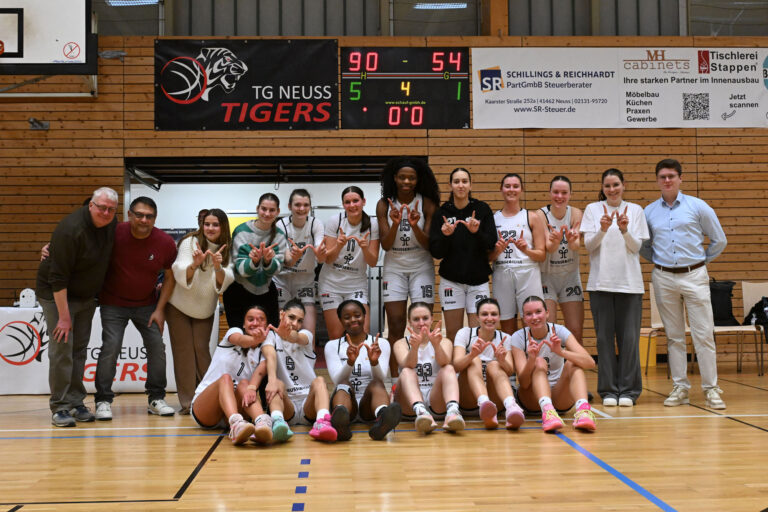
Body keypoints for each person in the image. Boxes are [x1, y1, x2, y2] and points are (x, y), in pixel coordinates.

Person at [641, 158, 728, 409]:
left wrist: (700, 262)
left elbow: (719, 240)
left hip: (695, 276)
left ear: (680, 178)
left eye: (671, 176)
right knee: (674, 336)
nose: (667, 180)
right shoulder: (649, 212)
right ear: (657, 180)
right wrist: (660, 262)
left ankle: (711, 389)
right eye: (662, 177)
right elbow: (644, 246)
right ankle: (680, 388)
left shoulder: (698, 206)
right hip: (663, 277)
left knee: (704, 335)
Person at [36, 187, 118, 427]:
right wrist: (64, 317)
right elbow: (57, 279)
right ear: (91, 205)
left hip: (85, 296)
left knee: (79, 349)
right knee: (62, 349)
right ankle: (60, 406)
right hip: (56, 295)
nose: (106, 213)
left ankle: (75, 401)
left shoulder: (111, 225)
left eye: (111, 209)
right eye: (101, 207)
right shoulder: (70, 230)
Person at [94, 196, 178, 420]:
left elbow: (170, 278)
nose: (144, 220)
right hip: (112, 303)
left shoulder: (165, 242)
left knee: (157, 347)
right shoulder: (112, 233)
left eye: (149, 216)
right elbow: (84, 245)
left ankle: (156, 398)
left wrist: (160, 309)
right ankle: (103, 400)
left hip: (147, 305)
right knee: (111, 347)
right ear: (129, 214)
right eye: (139, 215)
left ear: (155, 219)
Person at [581, 169, 648, 407]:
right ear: (602, 188)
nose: (612, 190)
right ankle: (608, 390)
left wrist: (624, 229)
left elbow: (636, 247)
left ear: (623, 185)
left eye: (616, 184)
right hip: (600, 285)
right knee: (604, 340)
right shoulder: (592, 209)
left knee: (629, 340)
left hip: (630, 285)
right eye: (607, 186)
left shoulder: (636, 210)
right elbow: (589, 246)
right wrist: (602, 228)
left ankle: (629, 391)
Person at [166, 208, 235, 414]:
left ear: (223, 227)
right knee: (184, 353)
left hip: (204, 308)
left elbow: (226, 280)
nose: (210, 228)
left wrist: (218, 267)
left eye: (215, 224)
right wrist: (194, 265)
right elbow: (179, 269)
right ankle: (188, 403)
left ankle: (208, 397)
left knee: (201, 350)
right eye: (207, 224)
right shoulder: (190, 241)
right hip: (179, 306)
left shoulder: (228, 248)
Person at [376, 157, 440, 377]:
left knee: (423, 323)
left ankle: (425, 374)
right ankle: (396, 378)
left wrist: (414, 226)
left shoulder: (427, 203)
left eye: (411, 178)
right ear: (394, 178)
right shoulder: (384, 204)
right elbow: (385, 244)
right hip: (394, 264)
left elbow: (428, 244)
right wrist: (395, 223)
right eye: (402, 177)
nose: (406, 181)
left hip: (421, 264)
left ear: (417, 179)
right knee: (395, 323)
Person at [507, 296, 597, 433]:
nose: (534, 317)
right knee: (539, 361)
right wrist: (531, 360)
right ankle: (547, 411)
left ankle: (583, 411)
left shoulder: (559, 331)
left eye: (538, 312)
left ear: (547, 313)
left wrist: (561, 352)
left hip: (559, 395)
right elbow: (524, 383)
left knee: (573, 362)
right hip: (531, 399)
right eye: (529, 314)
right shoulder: (518, 337)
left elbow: (590, 362)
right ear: (524, 318)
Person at [190, 305, 275, 445]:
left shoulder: (265, 348)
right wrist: (256, 339)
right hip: (207, 408)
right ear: (244, 324)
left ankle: (262, 423)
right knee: (226, 378)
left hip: (237, 407)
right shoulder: (234, 332)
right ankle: (235, 424)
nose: (255, 323)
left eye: (260, 320)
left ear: (266, 325)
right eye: (250, 319)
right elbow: (241, 340)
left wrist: (252, 388)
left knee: (246, 384)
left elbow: (260, 373)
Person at [429, 168, 496, 342]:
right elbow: (436, 252)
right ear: (450, 185)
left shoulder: (482, 209)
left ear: (470, 185)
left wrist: (476, 232)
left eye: (464, 181)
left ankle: (476, 361)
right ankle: (455, 362)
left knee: (478, 334)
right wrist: (445, 236)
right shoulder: (441, 213)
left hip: (478, 281)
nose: (461, 185)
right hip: (451, 281)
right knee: (453, 334)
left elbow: (491, 243)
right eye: (457, 181)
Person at [324, 300, 401, 441]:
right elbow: (337, 380)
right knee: (343, 385)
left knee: (376, 383)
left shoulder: (381, 343)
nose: (353, 319)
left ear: (365, 316)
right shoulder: (332, 346)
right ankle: (341, 423)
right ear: (340, 321)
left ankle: (383, 419)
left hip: (369, 405)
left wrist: (374, 362)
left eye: (357, 315)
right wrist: (350, 362)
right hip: (347, 403)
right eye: (347, 317)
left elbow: (381, 377)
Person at [268, 300, 338, 442]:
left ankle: (322, 422)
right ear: (282, 314)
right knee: (276, 383)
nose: (295, 323)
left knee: (319, 381)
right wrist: (271, 379)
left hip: (309, 403)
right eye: (291, 317)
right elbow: (269, 355)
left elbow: (296, 337)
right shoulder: (271, 336)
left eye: (300, 321)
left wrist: (287, 335)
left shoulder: (306, 335)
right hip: (287, 404)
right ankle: (278, 422)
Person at [452, 298, 525, 430]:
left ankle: (511, 407)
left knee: (494, 365)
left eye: (494, 314)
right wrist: (471, 355)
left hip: (496, 398)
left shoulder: (506, 338)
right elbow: (456, 366)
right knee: (474, 360)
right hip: (469, 398)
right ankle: (484, 402)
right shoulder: (465, 334)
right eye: (485, 314)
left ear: (499, 317)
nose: (489, 318)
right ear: (477, 317)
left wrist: (502, 360)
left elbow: (510, 371)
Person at [392, 302, 465, 434]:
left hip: (435, 399)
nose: (421, 323)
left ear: (432, 319)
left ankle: (452, 412)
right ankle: (421, 411)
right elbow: (408, 365)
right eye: (416, 319)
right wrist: (414, 348)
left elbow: (444, 362)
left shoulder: (445, 341)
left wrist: (436, 345)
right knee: (407, 371)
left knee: (448, 368)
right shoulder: (400, 343)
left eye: (425, 318)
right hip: (409, 404)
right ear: (409, 322)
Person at [318, 187, 380, 339]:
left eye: (355, 201)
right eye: (347, 202)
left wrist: (365, 249)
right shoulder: (335, 221)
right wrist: (338, 245)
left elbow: (372, 262)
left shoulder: (373, 224)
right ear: (343, 204)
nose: (352, 205)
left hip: (356, 284)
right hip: (331, 283)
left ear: (363, 201)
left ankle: (361, 356)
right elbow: (328, 259)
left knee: (362, 331)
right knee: (336, 334)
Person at [489, 173, 547, 334]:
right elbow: (488, 257)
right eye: (507, 186)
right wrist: (497, 251)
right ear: (501, 189)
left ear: (522, 189)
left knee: (532, 322)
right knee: (506, 325)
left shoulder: (532, 217)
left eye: (515, 186)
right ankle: (512, 351)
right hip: (502, 272)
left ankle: (532, 351)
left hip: (527, 272)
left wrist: (526, 250)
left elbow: (542, 255)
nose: (511, 189)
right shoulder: (493, 219)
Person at [223, 193, 288, 329]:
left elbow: (277, 269)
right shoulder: (241, 231)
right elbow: (241, 269)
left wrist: (268, 262)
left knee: (269, 334)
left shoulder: (280, 235)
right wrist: (254, 262)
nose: (267, 213)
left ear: (278, 212)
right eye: (264, 209)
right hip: (238, 289)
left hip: (266, 290)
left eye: (272, 210)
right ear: (258, 208)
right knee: (239, 334)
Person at [274, 189, 326, 338]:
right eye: (297, 205)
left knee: (308, 333)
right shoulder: (281, 225)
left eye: (306, 205)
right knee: (283, 330)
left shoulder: (315, 223)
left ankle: (309, 353)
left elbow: (320, 254)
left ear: (310, 206)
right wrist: (294, 257)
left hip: (305, 279)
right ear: (289, 206)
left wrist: (320, 253)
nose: (302, 209)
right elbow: (287, 261)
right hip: (282, 279)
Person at [539, 176, 584, 343]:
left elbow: (575, 245)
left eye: (564, 192)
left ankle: (575, 361)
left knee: (575, 330)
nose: (559, 196)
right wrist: (555, 241)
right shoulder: (540, 215)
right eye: (556, 192)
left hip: (570, 277)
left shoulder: (576, 213)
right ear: (549, 193)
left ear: (570, 194)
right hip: (546, 277)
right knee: (549, 330)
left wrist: (572, 240)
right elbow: (548, 248)